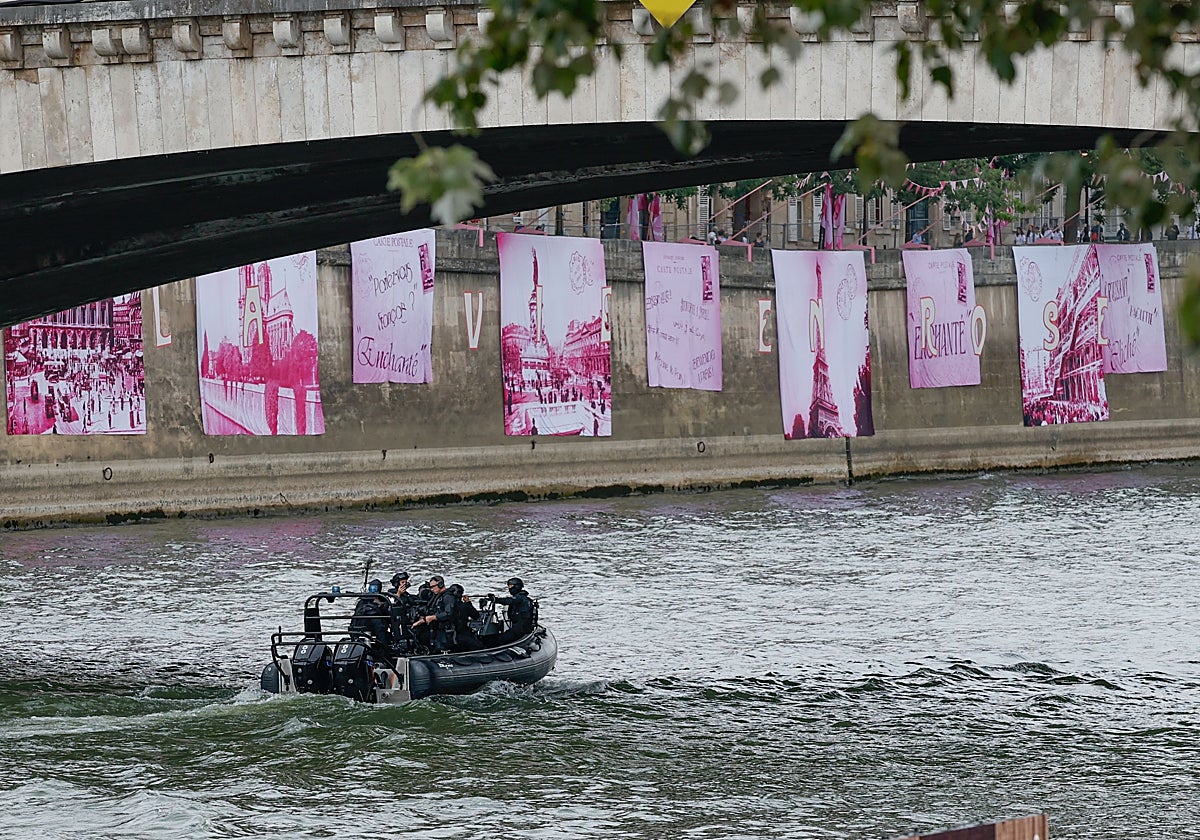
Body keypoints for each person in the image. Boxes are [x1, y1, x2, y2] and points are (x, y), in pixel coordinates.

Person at [412, 575, 459, 652]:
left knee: (441, 648)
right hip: (437, 630)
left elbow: (448, 613)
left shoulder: (448, 597)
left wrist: (432, 617)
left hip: (446, 631)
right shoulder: (437, 597)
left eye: (433, 586)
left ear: (440, 585)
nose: (432, 589)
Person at [349, 578, 392, 651]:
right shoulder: (383, 600)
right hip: (374, 628)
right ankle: (384, 653)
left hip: (359, 630)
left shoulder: (362, 601)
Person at [493, 577, 535, 644]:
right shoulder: (522, 597)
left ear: (517, 586)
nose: (509, 588)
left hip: (519, 631)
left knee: (495, 640)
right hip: (518, 629)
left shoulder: (520, 598)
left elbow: (510, 601)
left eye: (511, 586)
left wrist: (496, 600)